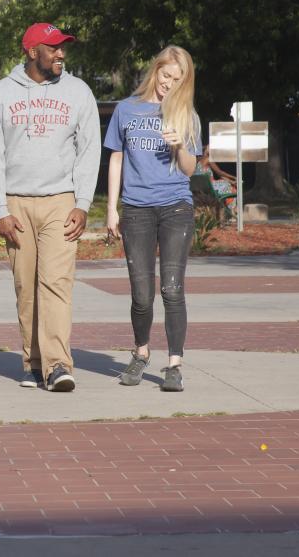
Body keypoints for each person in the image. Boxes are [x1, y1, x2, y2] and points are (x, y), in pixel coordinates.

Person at [0, 23, 101, 393]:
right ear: (33, 52)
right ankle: (34, 362)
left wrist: (82, 203)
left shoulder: (79, 92)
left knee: (56, 283)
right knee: (26, 286)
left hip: (60, 201)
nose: (61, 54)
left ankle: (58, 364)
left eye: (63, 48)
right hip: (16, 202)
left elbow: (89, 149)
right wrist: (0, 209)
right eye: (54, 48)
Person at [105, 45, 202, 393]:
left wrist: (180, 146)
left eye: (177, 79)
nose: (169, 84)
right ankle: (141, 352)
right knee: (142, 294)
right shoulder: (126, 109)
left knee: (172, 289)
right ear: (155, 69)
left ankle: (174, 364)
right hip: (136, 209)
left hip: (176, 207)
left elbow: (191, 169)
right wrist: (111, 208)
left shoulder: (187, 115)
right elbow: (116, 158)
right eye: (166, 75)